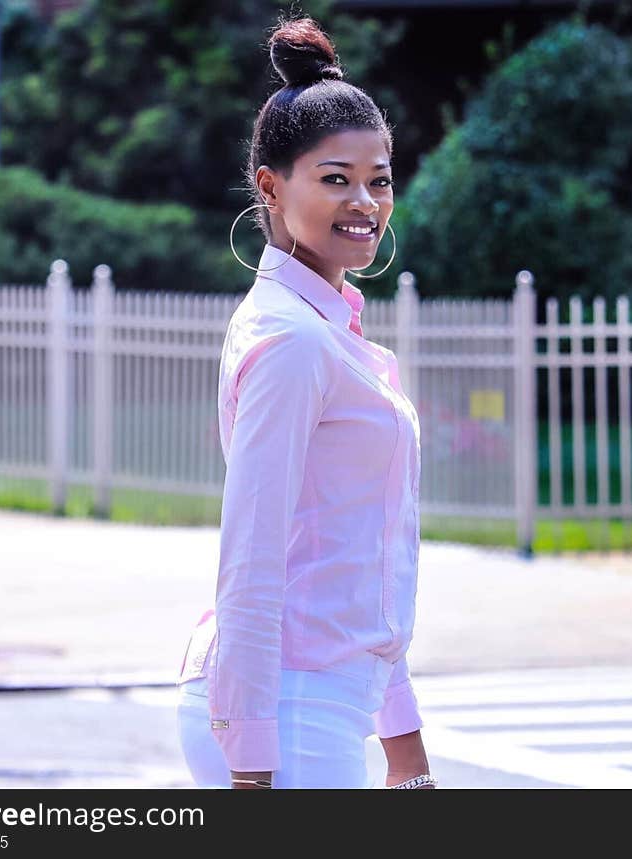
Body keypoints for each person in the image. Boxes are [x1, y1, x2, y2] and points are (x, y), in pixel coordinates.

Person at [176, 14, 435, 791]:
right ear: (270, 186)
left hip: (323, 702)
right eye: (334, 178)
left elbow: (345, 561)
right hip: (287, 714)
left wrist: (406, 746)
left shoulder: (328, 328)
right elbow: (252, 561)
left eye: (379, 178)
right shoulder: (292, 340)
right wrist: (253, 770)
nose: (365, 201)